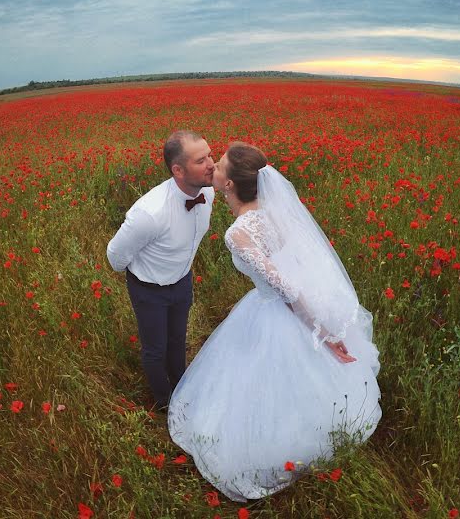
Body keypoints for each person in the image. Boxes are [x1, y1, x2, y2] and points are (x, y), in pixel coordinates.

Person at [168, 142, 382, 502]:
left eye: (218, 166)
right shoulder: (274, 212)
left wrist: (324, 332)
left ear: (230, 185)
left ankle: (269, 447)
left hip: (275, 310)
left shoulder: (238, 235)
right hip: (278, 305)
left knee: (261, 382)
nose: (213, 169)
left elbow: (289, 289)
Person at [106, 130, 215, 410]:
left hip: (182, 280)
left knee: (178, 339)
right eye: (201, 160)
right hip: (149, 288)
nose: (212, 164)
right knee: (156, 349)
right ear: (178, 170)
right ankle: (165, 404)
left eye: (210, 155)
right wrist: (145, 272)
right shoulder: (150, 213)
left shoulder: (209, 192)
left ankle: (181, 387)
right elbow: (115, 256)